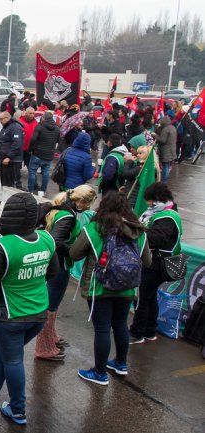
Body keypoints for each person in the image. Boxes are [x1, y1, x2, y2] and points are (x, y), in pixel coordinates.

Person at [0, 193, 58, 426]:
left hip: (8, 315)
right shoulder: (47, 239)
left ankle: (17, 409)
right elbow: (52, 272)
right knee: (6, 353)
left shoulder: (2, 247)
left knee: (13, 359)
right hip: (39, 313)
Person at [70, 191, 151, 385]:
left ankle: (99, 373)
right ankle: (120, 364)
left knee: (102, 329)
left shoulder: (96, 227)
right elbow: (147, 262)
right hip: (128, 289)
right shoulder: (138, 231)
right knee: (121, 324)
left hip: (100, 287)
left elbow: (74, 254)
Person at [34, 185, 98, 361]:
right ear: (82, 201)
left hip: (54, 263)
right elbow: (55, 240)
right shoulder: (68, 216)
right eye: (89, 204)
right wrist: (73, 250)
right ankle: (43, 347)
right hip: (59, 265)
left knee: (52, 305)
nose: (89, 208)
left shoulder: (61, 205)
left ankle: (50, 336)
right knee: (51, 306)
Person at [129, 182, 182, 344]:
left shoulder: (167, 217)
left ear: (156, 199)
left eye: (149, 200)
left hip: (155, 263)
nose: (147, 204)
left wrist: (136, 230)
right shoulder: (164, 212)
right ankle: (150, 330)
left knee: (142, 299)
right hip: (154, 262)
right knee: (150, 297)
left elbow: (156, 238)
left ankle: (137, 333)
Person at [27, 111, 59, 195]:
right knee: (45, 173)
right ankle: (43, 191)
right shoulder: (57, 128)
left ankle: (30, 191)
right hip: (49, 155)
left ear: (44, 118)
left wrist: (30, 149)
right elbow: (58, 140)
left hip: (38, 153)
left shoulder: (40, 126)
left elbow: (33, 139)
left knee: (32, 171)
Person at [0, 111, 24, 188]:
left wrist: (8, 157)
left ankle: (10, 199)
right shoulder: (7, 127)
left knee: (10, 184)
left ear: (7, 118)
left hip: (12, 160)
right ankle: (4, 199)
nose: (0, 121)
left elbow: (17, 144)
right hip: (5, 159)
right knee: (5, 182)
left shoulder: (15, 127)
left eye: (1, 119)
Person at [156, 116, 177, 183]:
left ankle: (163, 182)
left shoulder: (166, 129)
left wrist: (155, 135)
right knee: (167, 167)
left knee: (165, 167)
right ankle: (165, 181)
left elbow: (162, 140)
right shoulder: (173, 128)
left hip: (166, 151)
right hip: (172, 150)